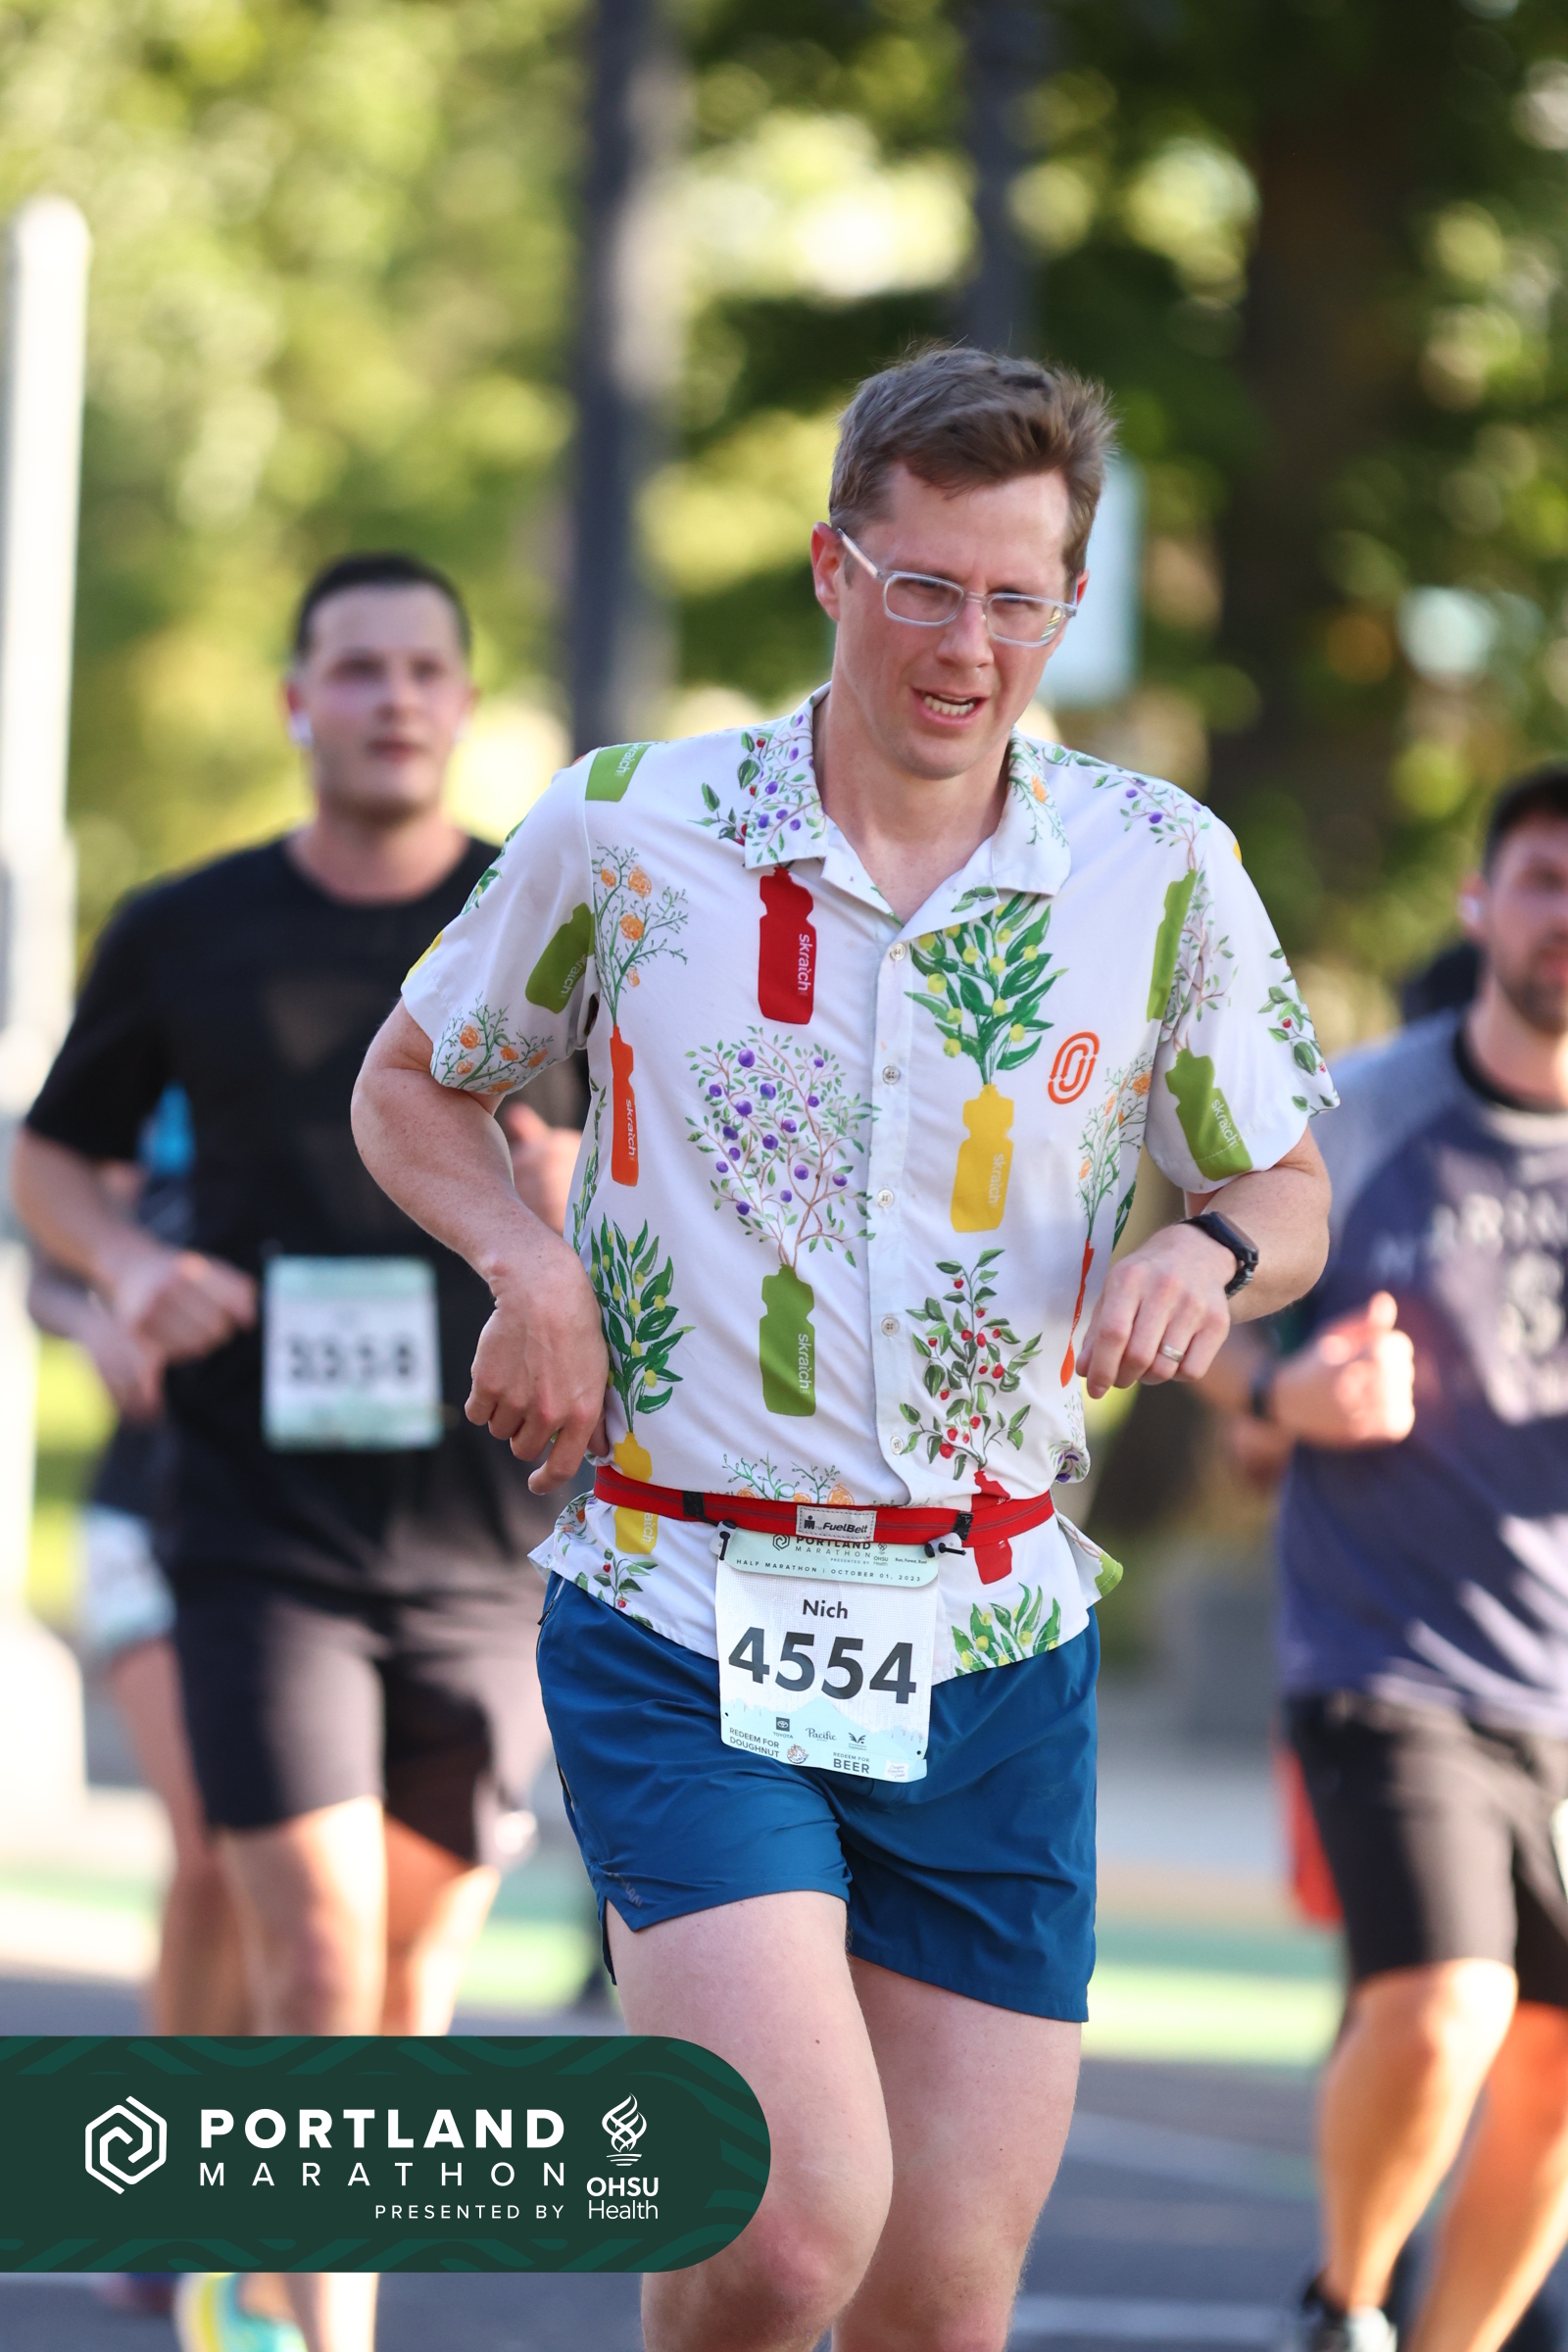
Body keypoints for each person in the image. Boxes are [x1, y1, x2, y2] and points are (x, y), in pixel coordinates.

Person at [354, 346, 1336, 2352]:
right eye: (923, 588)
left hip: (993, 1635)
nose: (967, 648)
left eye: (1015, 601)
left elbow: (1287, 1181)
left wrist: (1212, 1249)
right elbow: (412, 1080)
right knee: (789, 2225)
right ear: (833, 568)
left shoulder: (1159, 867)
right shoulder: (628, 827)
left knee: (935, 2298)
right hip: (684, 1606)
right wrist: (528, 1266)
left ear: (1069, 602)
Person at [11, 552, 572, 2352]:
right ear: (298, 702)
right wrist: (128, 1267)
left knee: (408, 1975)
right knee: (316, 1947)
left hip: (488, 1538)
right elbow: (49, 1157)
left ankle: (273, 2276)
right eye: (356, 667)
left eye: (424, 669)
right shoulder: (187, 928)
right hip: (255, 1528)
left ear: (461, 703)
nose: (392, 696)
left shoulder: (544, 917)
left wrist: (564, 1222)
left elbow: (632, 1165)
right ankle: (307, 2327)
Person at [1200, 769, 1568, 2352]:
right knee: (1445, 2006)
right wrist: (1287, 1400)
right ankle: (1345, 2306)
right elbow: (1189, 1307)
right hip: (1389, 1653)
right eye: (1543, 878)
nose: (1566, 917)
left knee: (1555, 2071)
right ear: (1481, 904)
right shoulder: (1360, 1116)